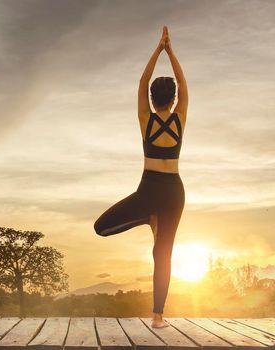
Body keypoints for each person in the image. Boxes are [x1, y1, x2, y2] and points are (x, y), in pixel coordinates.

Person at [93, 25, 187, 328]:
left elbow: (142, 81)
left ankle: (147, 217)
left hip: (149, 190)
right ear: (172, 100)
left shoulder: (145, 119)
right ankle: (158, 317)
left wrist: (158, 49)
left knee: (101, 227)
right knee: (163, 254)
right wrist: (170, 52)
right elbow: (185, 86)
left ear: (151, 98)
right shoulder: (180, 118)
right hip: (173, 192)